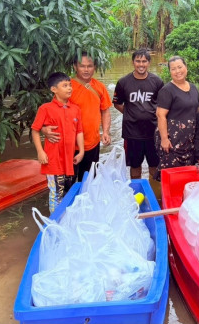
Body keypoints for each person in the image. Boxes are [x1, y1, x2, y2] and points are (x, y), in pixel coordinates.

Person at [41, 53, 112, 188]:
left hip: (92, 144)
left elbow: (105, 111)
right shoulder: (67, 87)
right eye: (82, 66)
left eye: (89, 66)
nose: (86, 70)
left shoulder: (100, 87)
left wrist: (106, 132)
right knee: (67, 184)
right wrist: (45, 129)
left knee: (90, 183)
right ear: (75, 67)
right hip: (69, 146)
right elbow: (52, 112)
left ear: (94, 67)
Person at [31, 72, 84, 213]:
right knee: (56, 192)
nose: (69, 88)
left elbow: (79, 131)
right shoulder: (45, 108)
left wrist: (81, 151)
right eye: (65, 85)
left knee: (68, 190)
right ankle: (54, 222)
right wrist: (40, 152)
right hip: (53, 159)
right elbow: (35, 130)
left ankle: (66, 217)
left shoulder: (75, 109)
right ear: (54, 89)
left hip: (69, 159)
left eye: (70, 85)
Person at [113, 48, 164, 180]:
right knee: (135, 166)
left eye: (144, 61)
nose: (141, 64)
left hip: (153, 131)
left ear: (149, 63)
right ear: (133, 62)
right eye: (138, 61)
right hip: (132, 132)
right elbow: (117, 103)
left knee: (155, 166)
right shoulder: (123, 82)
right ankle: (136, 190)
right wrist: (130, 113)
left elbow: (163, 106)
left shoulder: (157, 82)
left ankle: (153, 190)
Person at [155, 56, 199, 180]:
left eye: (180, 67)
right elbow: (160, 115)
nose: (177, 71)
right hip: (172, 140)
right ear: (170, 71)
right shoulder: (167, 90)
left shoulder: (193, 88)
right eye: (173, 69)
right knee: (171, 174)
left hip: (189, 139)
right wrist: (164, 139)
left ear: (186, 67)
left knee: (188, 174)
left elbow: (196, 111)